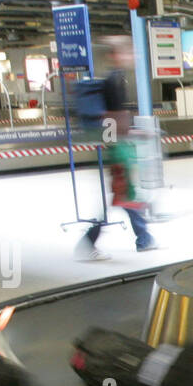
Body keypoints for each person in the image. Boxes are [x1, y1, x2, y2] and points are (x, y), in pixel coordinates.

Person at [76, 36, 156, 262]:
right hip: (117, 150)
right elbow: (111, 119)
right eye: (128, 52)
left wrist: (130, 134)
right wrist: (120, 144)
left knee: (124, 196)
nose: (132, 57)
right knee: (122, 196)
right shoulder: (114, 80)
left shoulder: (116, 79)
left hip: (118, 147)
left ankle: (144, 237)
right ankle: (90, 242)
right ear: (115, 55)